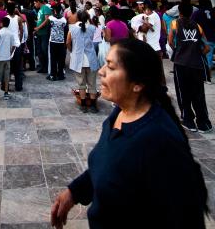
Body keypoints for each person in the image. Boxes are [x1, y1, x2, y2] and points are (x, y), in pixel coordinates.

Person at [51, 39, 208, 229]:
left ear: (137, 84)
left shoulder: (159, 140)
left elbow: (185, 216)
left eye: (110, 66)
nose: (101, 71)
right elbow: (109, 164)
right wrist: (74, 192)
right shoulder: (120, 114)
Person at [169, 2, 212, 133]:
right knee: (198, 94)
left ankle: (189, 121)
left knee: (183, 93)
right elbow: (207, 47)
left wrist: (179, 51)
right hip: (196, 64)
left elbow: (170, 42)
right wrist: (196, 53)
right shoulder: (197, 26)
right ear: (191, 13)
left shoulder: (175, 24)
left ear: (179, 12)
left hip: (181, 64)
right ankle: (203, 123)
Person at [67, 10, 99, 113]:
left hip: (78, 60)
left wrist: (72, 51)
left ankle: (83, 105)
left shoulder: (72, 29)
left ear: (77, 17)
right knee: (92, 84)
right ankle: (93, 106)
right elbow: (94, 40)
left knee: (81, 84)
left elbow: (68, 42)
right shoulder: (93, 28)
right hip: (91, 59)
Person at [0, 16, 16, 100]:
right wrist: (10, 53)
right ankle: (6, 93)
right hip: (7, 57)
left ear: (2, 23)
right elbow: (13, 45)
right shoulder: (11, 33)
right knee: (6, 75)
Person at [192, 0, 215, 72]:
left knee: (207, 56)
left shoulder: (197, 13)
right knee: (210, 55)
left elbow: (192, 24)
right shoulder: (213, 11)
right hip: (213, 36)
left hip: (203, 37)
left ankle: (207, 75)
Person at [6, 1, 24, 91]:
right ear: (14, 9)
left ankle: (5, 86)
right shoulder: (19, 19)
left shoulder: (5, 18)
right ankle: (18, 86)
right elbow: (21, 31)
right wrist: (19, 41)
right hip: (17, 45)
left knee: (7, 67)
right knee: (18, 67)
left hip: (8, 45)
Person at [47, 3, 67, 81]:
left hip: (53, 41)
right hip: (61, 41)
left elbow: (48, 29)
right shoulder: (64, 20)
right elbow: (65, 31)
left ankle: (53, 75)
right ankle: (61, 74)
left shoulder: (51, 18)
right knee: (61, 59)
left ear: (54, 10)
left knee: (53, 58)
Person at [33, 0, 52, 74]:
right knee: (39, 51)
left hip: (44, 33)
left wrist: (38, 27)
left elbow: (47, 20)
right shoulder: (40, 10)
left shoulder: (46, 8)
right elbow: (40, 20)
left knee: (44, 50)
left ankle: (46, 67)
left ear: (38, 2)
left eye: (35, 3)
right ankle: (42, 66)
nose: (34, 5)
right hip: (39, 33)